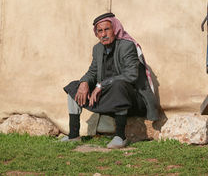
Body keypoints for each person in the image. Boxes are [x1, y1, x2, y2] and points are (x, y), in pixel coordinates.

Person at [62, 12, 158, 148]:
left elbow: (131, 75)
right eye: (99, 31)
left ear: (115, 29)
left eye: (107, 29)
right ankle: (73, 135)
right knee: (74, 87)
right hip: (108, 96)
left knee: (118, 85)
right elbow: (93, 72)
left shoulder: (126, 46)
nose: (103, 34)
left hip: (133, 100)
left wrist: (102, 84)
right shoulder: (97, 49)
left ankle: (120, 136)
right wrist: (84, 83)